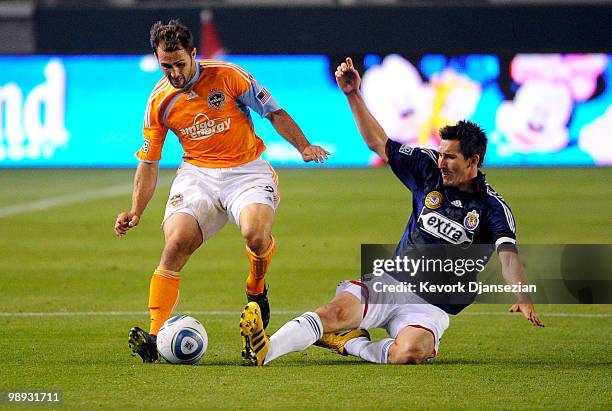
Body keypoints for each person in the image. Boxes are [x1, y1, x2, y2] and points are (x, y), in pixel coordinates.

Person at [239, 57, 544, 366]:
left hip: (433, 306)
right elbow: (378, 143)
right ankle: (265, 350)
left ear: (473, 162)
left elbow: (508, 258)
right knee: (333, 313)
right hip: (393, 282)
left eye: (450, 158)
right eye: (441, 154)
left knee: (409, 353)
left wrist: (523, 295)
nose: (441, 163)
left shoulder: (493, 209)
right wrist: (352, 95)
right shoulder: (428, 168)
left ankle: (352, 344)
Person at [115, 20, 330, 363]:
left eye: (179, 64)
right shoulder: (159, 101)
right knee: (174, 246)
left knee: (255, 235)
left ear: (194, 55)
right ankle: (154, 336)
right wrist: (136, 210)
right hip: (198, 176)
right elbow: (149, 161)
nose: (173, 73)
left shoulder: (228, 75)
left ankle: (256, 289)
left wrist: (303, 146)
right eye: (165, 66)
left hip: (247, 170)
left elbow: (273, 112)